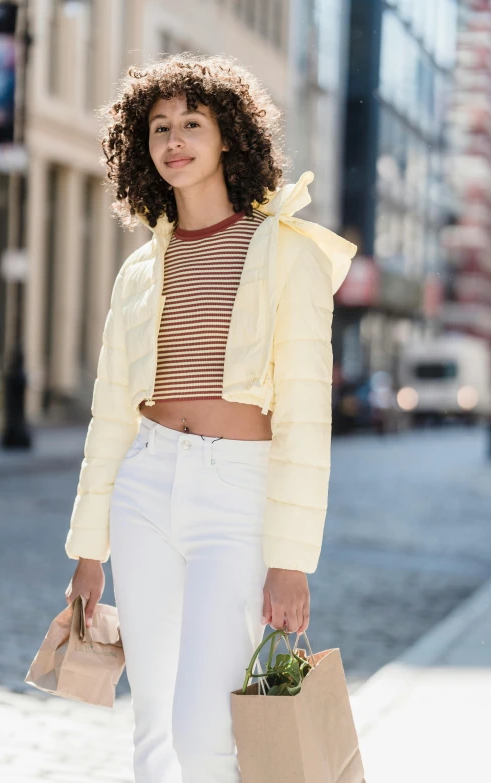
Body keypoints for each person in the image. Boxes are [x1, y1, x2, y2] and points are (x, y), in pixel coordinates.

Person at [63, 53, 356, 783]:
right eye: (159, 126)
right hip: (144, 488)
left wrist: (291, 560)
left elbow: (305, 420)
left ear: (230, 137)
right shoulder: (140, 270)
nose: (174, 140)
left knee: (204, 734)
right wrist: (88, 546)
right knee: (153, 728)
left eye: (192, 123)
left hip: (238, 496)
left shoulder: (288, 252)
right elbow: (109, 417)